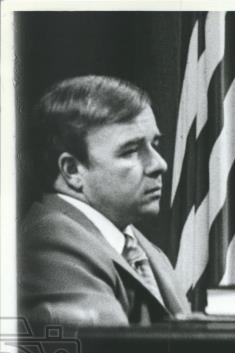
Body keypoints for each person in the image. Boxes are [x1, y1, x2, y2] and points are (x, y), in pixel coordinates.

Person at [18, 75, 190, 326]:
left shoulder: (143, 249)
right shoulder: (49, 242)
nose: (159, 164)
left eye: (155, 144)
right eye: (131, 150)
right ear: (72, 170)